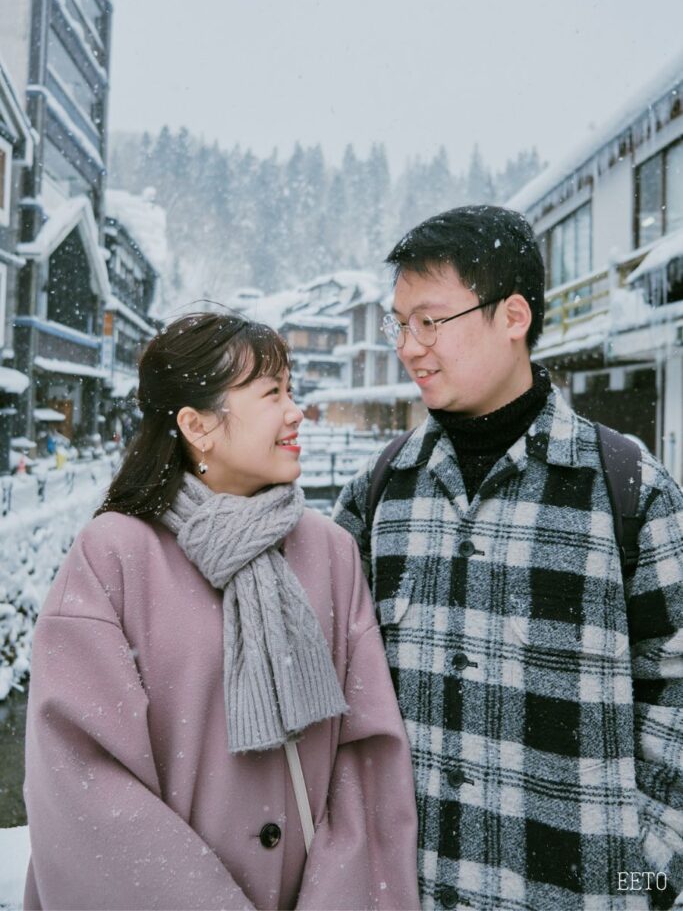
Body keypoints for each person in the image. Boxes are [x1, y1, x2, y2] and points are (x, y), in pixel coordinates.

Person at [333, 205, 683, 911]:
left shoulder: (629, 489)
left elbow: (674, 692)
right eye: (398, 324)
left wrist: (646, 879)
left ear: (512, 315)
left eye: (429, 321)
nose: (408, 346)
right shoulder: (376, 493)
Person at [24, 312, 420, 911]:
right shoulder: (116, 555)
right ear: (197, 425)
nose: (296, 412)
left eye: (292, 391)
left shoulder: (329, 552)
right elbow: (79, 779)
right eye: (272, 395)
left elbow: (366, 756)